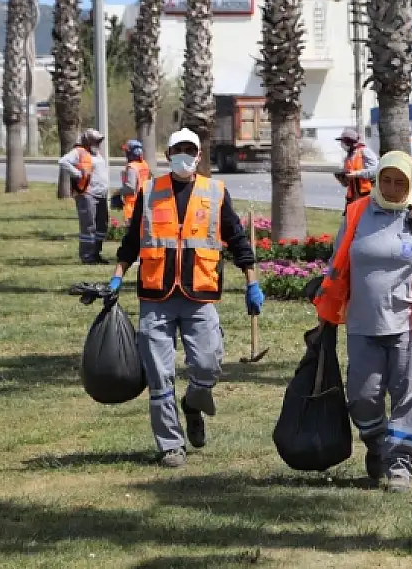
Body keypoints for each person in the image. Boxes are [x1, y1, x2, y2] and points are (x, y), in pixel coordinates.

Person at [109, 128, 264, 468]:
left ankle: (194, 403)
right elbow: (132, 241)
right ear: (168, 154)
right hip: (156, 296)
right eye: (178, 149)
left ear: (198, 156)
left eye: (189, 150)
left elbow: (237, 240)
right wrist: (117, 277)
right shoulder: (150, 191)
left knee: (208, 363)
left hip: (199, 295)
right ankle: (170, 446)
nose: (184, 155)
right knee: (159, 374)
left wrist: (252, 283)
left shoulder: (215, 191)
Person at [312, 150, 412, 493]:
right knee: (362, 397)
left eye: (401, 182)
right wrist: (326, 314)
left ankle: (400, 463)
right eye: (387, 180)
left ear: (411, 183)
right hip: (364, 323)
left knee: (410, 393)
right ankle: (378, 443)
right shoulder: (356, 212)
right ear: (377, 180)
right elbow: (337, 266)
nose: (394, 188)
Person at [58, 129, 111, 264]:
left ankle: (96, 253)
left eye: (99, 140)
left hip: (101, 195)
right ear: (88, 140)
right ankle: (87, 256)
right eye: (95, 140)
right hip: (87, 194)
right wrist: (77, 173)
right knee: (89, 226)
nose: (98, 143)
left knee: (101, 225)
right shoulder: (79, 152)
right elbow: (63, 161)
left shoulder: (97, 154)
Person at [333, 128, 379, 211]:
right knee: (350, 222)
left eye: (343, 142)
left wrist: (356, 174)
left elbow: (375, 170)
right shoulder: (348, 157)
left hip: (366, 196)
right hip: (352, 199)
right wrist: (343, 179)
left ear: (349, 142)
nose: (341, 145)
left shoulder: (365, 152)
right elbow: (347, 183)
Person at [116, 139, 153, 222]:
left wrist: (119, 192)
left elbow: (130, 188)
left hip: (132, 205)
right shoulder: (144, 165)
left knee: (132, 231)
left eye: (126, 151)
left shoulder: (132, 167)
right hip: (144, 201)